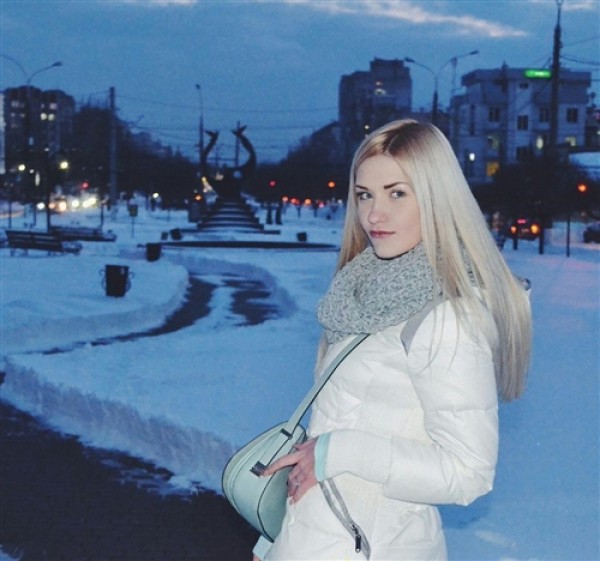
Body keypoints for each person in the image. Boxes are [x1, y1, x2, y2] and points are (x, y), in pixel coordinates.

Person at [252, 119, 532, 561]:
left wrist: (341, 450)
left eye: (396, 193)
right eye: (365, 195)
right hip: (315, 540)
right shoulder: (363, 290)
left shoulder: (446, 317)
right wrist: (277, 540)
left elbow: (468, 473)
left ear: (437, 197)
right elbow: (332, 428)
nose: (373, 214)